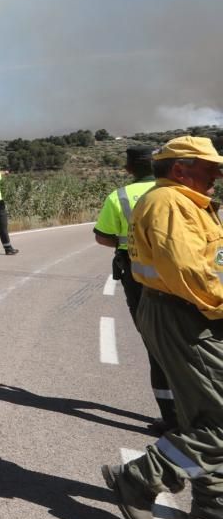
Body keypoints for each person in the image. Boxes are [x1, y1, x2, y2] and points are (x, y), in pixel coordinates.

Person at [101, 136, 223, 519]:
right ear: (180, 169)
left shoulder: (183, 201)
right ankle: (139, 478)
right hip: (187, 316)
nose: (217, 175)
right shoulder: (169, 203)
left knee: (204, 415)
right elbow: (190, 273)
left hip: (182, 312)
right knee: (219, 422)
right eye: (210, 168)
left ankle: (212, 504)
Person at [93, 145, 176, 433]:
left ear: (128, 169)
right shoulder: (177, 190)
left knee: (155, 345)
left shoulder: (119, 197)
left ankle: (171, 418)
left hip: (138, 275)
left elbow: (103, 237)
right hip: (182, 273)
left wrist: (127, 243)